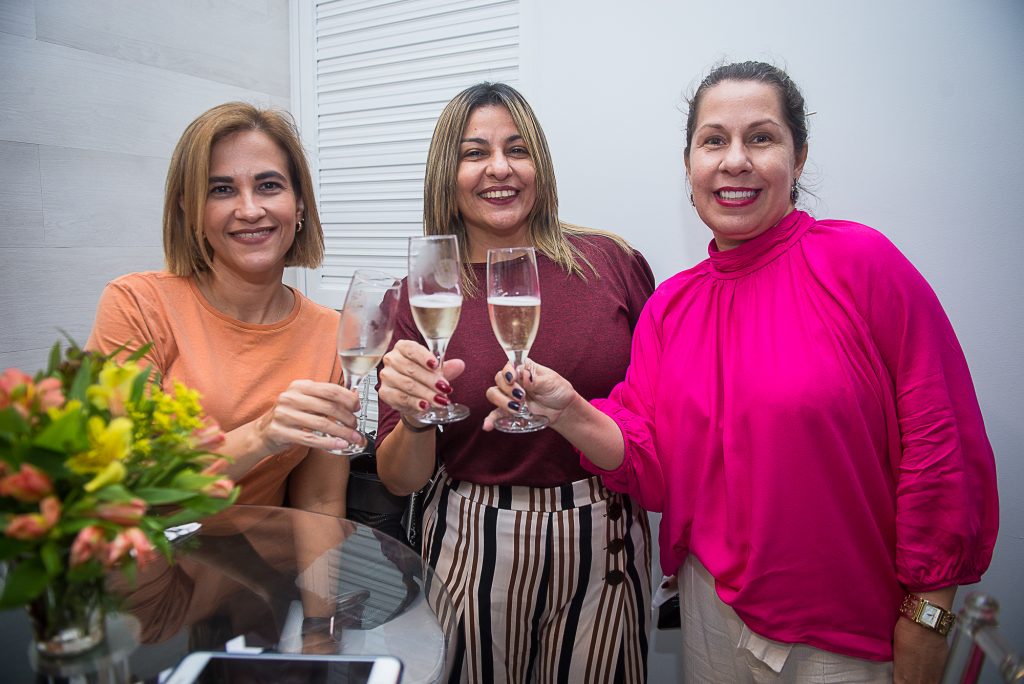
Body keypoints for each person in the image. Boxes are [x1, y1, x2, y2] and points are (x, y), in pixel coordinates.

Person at [484, 62, 999, 684]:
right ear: (689, 163)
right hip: (710, 613)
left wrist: (927, 615)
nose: (734, 162)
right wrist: (568, 411)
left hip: (844, 636)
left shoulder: (861, 264)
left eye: (760, 138)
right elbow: (651, 465)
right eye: (713, 140)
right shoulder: (671, 307)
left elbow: (940, 447)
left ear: (799, 157)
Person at [374, 82, 655, 683]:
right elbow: (399, 478)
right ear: (446, 172)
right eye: (474, 153)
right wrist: (419, 418)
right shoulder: (422, 294)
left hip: (602, 535)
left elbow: (659, 421)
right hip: (468, 544)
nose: (499, 169)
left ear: (541, 165)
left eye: (517, 149)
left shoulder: (611, 263)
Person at [88, 102, 359, 516]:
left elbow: (319, 500)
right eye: (222, 190)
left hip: (259, 574)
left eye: (269, 185)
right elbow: (128, 482)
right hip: (144, 568)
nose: (250, 210)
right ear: (190, 209)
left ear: (299, 204)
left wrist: (317, 585)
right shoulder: (136, 304)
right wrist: (262, 435)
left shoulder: (330, 331)